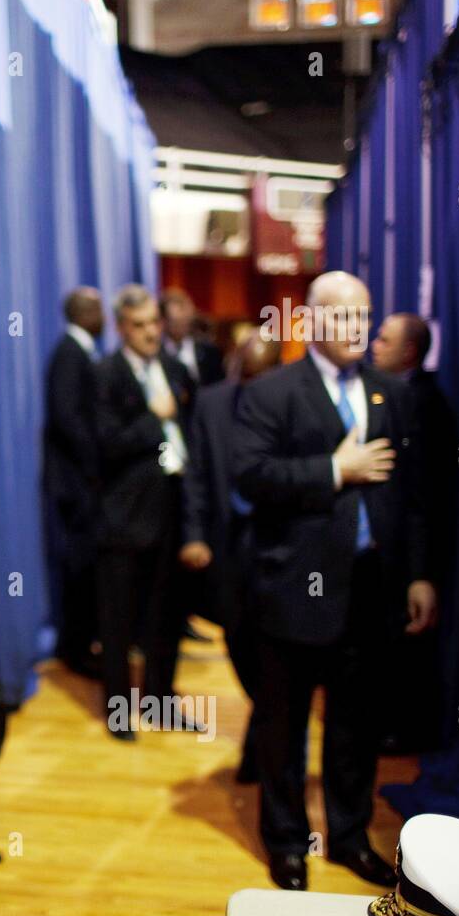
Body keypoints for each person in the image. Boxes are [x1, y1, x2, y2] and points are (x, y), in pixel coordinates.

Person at [234, 271, 437, 892]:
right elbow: (250, 476)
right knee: (285, 728)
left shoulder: (390, 394)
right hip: (295, 587)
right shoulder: (273, 392)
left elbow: (413, 494)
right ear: (311, 321)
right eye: (342, 316)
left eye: (363, 316)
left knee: (356, 726)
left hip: (371, 588)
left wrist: (419, 574)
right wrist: (333, 469)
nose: (355, 328)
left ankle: (350, 837)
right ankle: (287, 843)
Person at [94, 284, 198, 740]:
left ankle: (160, 701)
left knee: (167, 616)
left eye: (154, 322)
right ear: (121, 328)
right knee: (118, 624)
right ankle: (119, 712)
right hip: (124, 517)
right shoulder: (106, 374)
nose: (150, 332)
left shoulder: (175, 369)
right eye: (139, 325)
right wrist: (154, 419)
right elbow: (104, 444)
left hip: (174, 508)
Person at [180, 335, 282, 782]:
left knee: (276, 651)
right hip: (227, 546)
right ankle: (267, 729)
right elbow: (197, 474)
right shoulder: (211, 403)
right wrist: (195, 535)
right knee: (237, 641)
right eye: (245, 374)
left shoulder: (290, 405)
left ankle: (264, 745)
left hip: (279, 550)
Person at [371, 313, 458, 752]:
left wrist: (422, 571)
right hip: (394, 551)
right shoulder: (392, 394)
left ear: (409, 351)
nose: (374, 345)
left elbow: (425, 492)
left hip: (410, 553)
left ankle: (404, 730)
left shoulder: (421, 401)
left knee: (407, 647)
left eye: (384, 340)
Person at [43, 286, 105, 678]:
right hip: (76, 482)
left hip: (80, 480)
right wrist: (97, 460)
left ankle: (82, 643)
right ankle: (75, 648)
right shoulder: (70, 352)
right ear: (85, 313)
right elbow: (68, 417)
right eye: (98, 309)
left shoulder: (80, 350)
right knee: (79, 568)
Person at [160, 287, 224, 386]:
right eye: (176, 322)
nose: (183, 325)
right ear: (163, 321)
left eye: (186, 320)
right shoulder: (155, 354)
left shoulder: (209, 351)